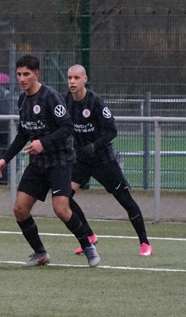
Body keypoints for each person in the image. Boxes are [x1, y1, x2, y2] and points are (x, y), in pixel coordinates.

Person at [0, 54, 99, 267]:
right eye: (19, 74)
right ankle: (40, 253)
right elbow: (23, 134)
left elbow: (67, 127)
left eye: (26, 74)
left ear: (36, 75)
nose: (22, 78)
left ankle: (88, 246)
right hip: (38, 164)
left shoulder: (50, 97)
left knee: (61, 209)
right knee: (19, 209)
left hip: (59, 161)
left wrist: (43, 143)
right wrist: (5, 159)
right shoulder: (22, 100)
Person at [64, 64, 152, 257]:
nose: (72, 82)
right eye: (70, 78)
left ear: (85, 79)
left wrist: (94, 146)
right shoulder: (65, 102)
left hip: (103, 160)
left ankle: (145, 243)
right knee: (64, 198)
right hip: (81, 160)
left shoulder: (95, 102)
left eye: (76, 78)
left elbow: (112, 131)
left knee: (125, 199)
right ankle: (89, 236)